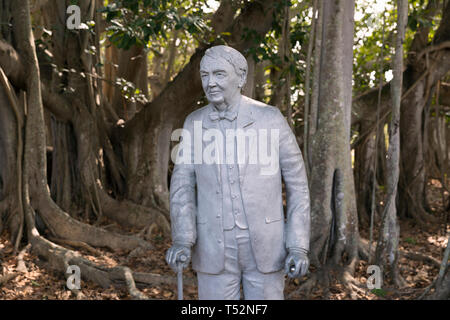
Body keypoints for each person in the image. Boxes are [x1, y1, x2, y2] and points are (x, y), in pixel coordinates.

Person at [166, 45, 310, 300]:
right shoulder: (193, 122)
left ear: (241, 78)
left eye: (219, 74)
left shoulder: (270, 118)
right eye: (205, 75)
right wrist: (183, 239)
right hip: (212, 245)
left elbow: (297, 184)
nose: (210, 83)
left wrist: (297, 245)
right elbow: (182, 186)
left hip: (267, 246)